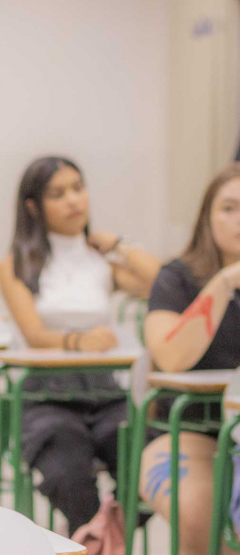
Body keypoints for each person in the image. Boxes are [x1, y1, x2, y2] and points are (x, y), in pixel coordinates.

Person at [0, 156, 161, 533]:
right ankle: (96, 534)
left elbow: (165, 285)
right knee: (67, 470)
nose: (73, 200)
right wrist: (79, 341)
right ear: (33, 207)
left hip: (105, 392)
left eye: (78, 188)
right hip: (44, 397)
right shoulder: (16, 264)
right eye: (58, 194)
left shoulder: (103, 261)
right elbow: (34, 335)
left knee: (146, 459)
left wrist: (120, 245)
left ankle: (100, 536)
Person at [139, 163, 240, 555]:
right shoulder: (176, 278)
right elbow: (171, 357)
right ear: (206, 217)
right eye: (228, 208)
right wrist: (225, 283)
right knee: (200, 512)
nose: (238, 220)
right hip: (184, 433)